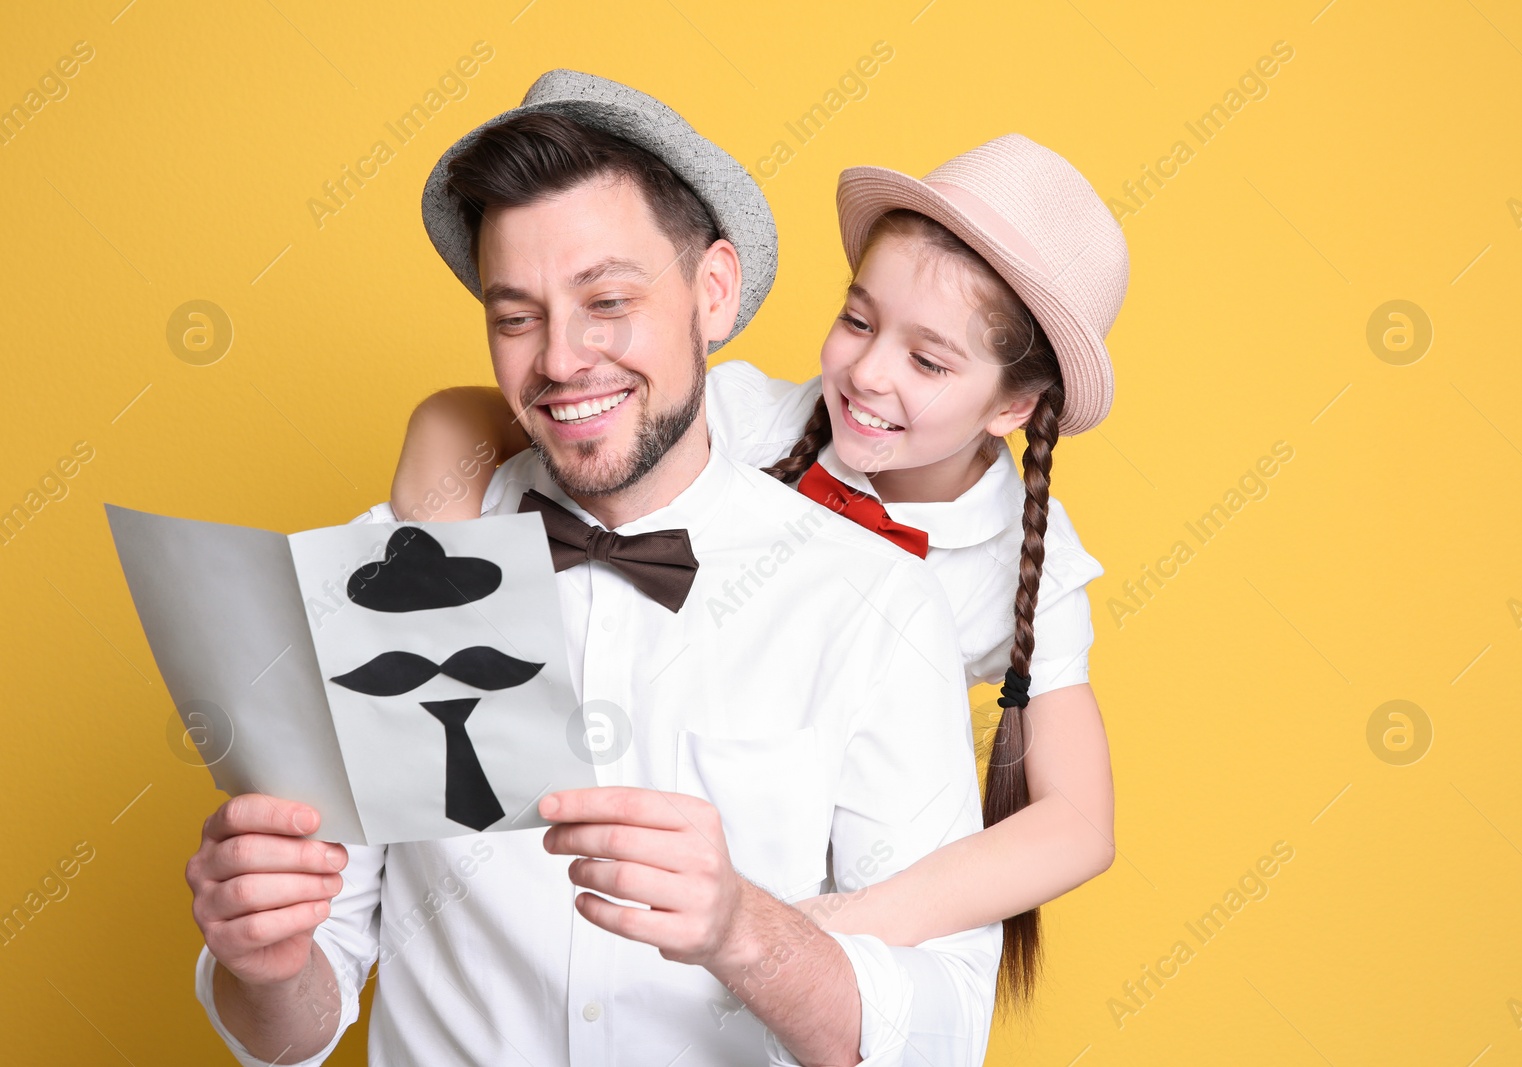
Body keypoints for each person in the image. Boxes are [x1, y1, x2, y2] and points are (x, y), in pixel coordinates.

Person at [182, 70, 1000, 1067]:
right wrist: (264, 963)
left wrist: (744, 927)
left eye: (606, 300)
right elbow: (303, 1016)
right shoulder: (401, 561)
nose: (563, 360)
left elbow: (939, 1038)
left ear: (713, 291)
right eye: (516, 316)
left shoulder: (873, 604)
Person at [388, 133, 1128, 1010]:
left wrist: (822, 923)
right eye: (858, 320)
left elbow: (1077, 822)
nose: (868, 372)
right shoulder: (737, 416)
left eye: (928, 361)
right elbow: (465, 416)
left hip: (812, 886)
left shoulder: (1019, 563)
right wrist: (433, 574)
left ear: (1012, 405)